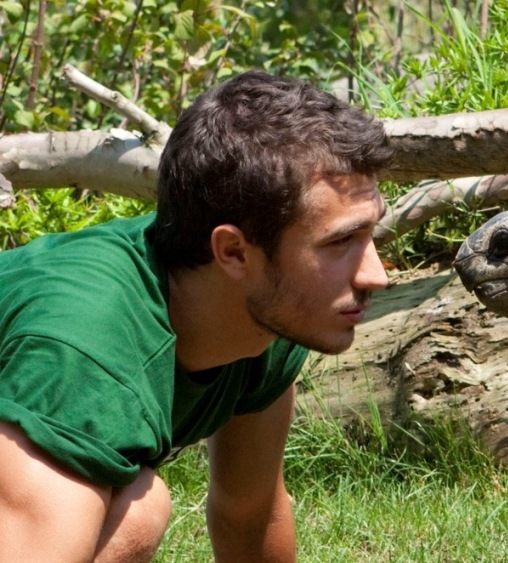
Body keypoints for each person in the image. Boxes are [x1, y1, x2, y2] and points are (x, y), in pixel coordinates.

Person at [0, 70, 393, 561]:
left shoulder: (273, 310)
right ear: (232, 252)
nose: (376, 275)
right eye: (340, 242)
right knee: (139, 512)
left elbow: (248, 515)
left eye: (368, 235)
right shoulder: (84, 350)